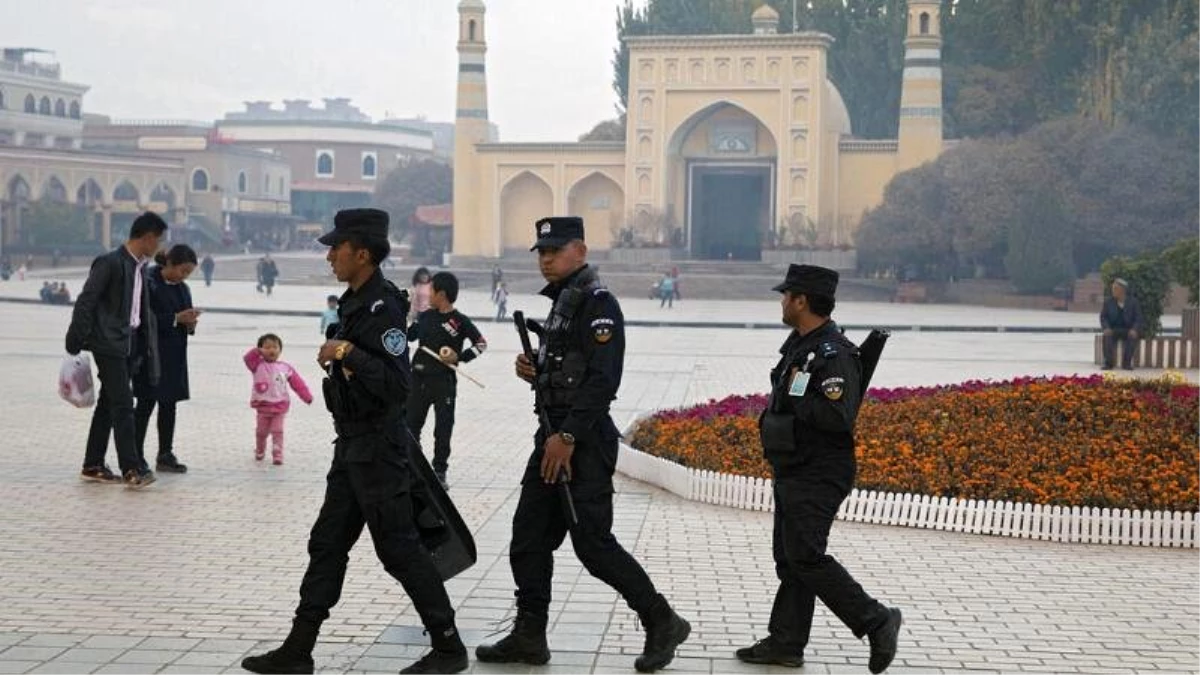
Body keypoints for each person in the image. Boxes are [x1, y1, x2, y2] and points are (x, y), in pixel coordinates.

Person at [242, 208, 468, 675]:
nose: (328, 256)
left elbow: (395, 384)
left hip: (379, 449)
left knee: (400, 550)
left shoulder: (383, 307)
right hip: (352, 446)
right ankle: (298, 648)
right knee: (326, 543)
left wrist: (345, 351)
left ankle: (448, 647)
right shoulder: (354, 302)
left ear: (361, 252)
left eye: (336, 248)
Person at [476, 216, 690, 672]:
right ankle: (529, 636)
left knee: (593, 545)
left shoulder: (598, 305)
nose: (547, 260)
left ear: (582, 251)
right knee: (528, 538)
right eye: (542, 252)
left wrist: (569, 436)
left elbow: (602, 380)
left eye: (556, 251)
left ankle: (662, 620)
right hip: (552, 437)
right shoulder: (563, 304)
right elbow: (569, 368)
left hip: (582, 442)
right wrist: (537, 369)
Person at [737, 264, 901, 673]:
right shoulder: (801, 345)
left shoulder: (833, 353)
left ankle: (876, 619)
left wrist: (799, 395)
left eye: (786, 296)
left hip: (819, 471)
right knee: (790, 559)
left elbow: (838, 415)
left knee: (806, 557)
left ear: (801, 301)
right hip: (795, 467)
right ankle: (786, 642)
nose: (782, 302)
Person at [64, 212, 167, 489]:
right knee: (124, 403)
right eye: (157, 240)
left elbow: (139, 310)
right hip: (108, 343)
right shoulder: (109, 263)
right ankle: (132, 468)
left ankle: (93, 463)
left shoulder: (139, 268)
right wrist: (75, 339)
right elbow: (87, 300)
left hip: (128, 343)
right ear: (146, 238)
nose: (158, 246)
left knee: (110, 403)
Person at [406, 272, 487, 489]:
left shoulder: (460, 322)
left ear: (441, 294)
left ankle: (440, 471)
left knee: (443, 429)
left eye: (431, 290)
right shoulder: (425, 316)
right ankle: (415, 466)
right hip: (418, 379)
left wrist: (458, 357)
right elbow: (409, 336)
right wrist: (406, 314)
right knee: (411, 425)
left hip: (444, 382)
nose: (428, 294)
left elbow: (481, 345)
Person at [133, 245, 200, 474]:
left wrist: (190, 322)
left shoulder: (183, 289)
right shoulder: (148, 282)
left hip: (174, 355)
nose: (184, 276)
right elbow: (142, 318)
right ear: (169, 263)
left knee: (169, 404)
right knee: (145, 404)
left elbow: (185, 317)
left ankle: (165, 453)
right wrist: (174, 318)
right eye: (183, 270)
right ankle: (135, 455)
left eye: (188, 273)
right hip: (151, 354)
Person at [242, 334, 313, 465]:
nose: (271, 350)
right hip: (263, 405)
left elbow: (298, 383)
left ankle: (277, 453)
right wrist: (257, 352)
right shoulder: (256, 365)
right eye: (267, 347)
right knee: (261, 431)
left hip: (280, 405)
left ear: (280, 350)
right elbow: (247, 358)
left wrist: (306, 396)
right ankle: (260, 450)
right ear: (260, 350)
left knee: (277, 430)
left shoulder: (285, 368)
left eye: (275, 347)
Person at [1100, 278, 1142, 370]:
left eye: (1115, 289)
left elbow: (1138, 318)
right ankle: (1108, 363)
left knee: (1133, 337)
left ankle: (1126, 364)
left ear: (1123, 290)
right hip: (1113, 329)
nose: (1113, 291)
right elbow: (1103, 317)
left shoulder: (1133, 302)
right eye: (1113, 288)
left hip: (1128, 329)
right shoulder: (1108, 302)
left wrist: (1134, 329)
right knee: (1107, 336)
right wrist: (1106, 328)